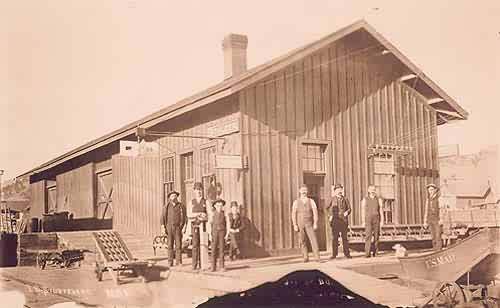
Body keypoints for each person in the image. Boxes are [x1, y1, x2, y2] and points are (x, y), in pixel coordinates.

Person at [291, 185, 320, 263]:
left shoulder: (311, 201)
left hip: (309, 223)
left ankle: (317, 257)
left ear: (307, 191)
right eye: (302, 190)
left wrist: (315, 223)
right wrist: (295, 225)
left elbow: (315, 213)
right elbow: (293, 214)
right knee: (302, 240)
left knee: (313, 240)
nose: (304, 192)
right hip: (300, 224)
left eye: (305, 190)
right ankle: (305, 257)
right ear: (299, 191)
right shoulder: (296, 202)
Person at [160, 191, 187, 267]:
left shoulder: (181, 206)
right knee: (170, 245)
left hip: (178, 228)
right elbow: (162, 217)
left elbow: (185, 217)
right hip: (169, 227)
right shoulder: (166, 206)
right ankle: (170, 261)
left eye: (175, 196)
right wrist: (162, 227)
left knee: (178, 245)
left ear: (177, 197)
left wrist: (184, 227)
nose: (173, 198)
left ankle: (179, 262)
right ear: (169, 198)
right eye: (172, 196)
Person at [327, 184, 352, 259]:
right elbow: (326, 208)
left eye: (340, 189)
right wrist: (330, 215)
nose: (339, 191)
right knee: (335, 238)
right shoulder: (332, 199)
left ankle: (347, 254)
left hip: (344, 221)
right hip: (335, 221)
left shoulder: (345, 199)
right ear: (335, 191)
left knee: (345, 238)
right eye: (337, 190)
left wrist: (347, 212)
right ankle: (334, 254)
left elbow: (349, 209)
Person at [188, 182, 208, 270]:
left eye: (200, 190)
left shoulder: (206, 201)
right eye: (197, 190)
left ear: (202, 191)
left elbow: (209, 214)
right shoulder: (191, 202)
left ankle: (202, 264)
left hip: (204, 226)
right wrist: (199, 214)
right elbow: (189, 214)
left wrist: (205, 216)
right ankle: (194, 264)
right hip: (195, 226)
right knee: (195, 244)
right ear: (194, 191)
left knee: (203, 244)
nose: (198, 192)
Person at [361, 185, 384, 258]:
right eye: (371, 189)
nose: (373, 191)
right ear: (368, 190)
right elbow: (363, 211)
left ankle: (375, 252)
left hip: (376, 219)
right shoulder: (365, 199)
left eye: (374, 189)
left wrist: (382, 221)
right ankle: (367, 253)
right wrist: (363, 221)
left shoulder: (379, 199)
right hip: (368, 219)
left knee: (376, 236)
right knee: (368, 236)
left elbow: (381, 211)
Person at [210, 199, 227, 271]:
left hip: (222, 233)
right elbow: (209, 224)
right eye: (218, 205)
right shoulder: (212, 214)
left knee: (222, 249)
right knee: (213, 249)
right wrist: (210, 234)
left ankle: (222, 266)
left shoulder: (224, 214)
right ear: (215, 206)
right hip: (214, 232)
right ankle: (213, 266)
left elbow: (227, 224)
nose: (219, 207)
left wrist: (227, 234)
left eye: (221, 206)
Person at [424, 183, 442, 250]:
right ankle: (435, 249)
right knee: (433, 236)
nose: (430, 191)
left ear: (435, 190)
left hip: (437, 219)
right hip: (430, 219)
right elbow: (426, 211)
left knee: (438, 236)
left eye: (431, 190)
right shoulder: (428, 200)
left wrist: (441, 219)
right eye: (429, 190)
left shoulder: (439, 199)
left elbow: (441, 209)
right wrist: (425, 222)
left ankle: (439, 250)